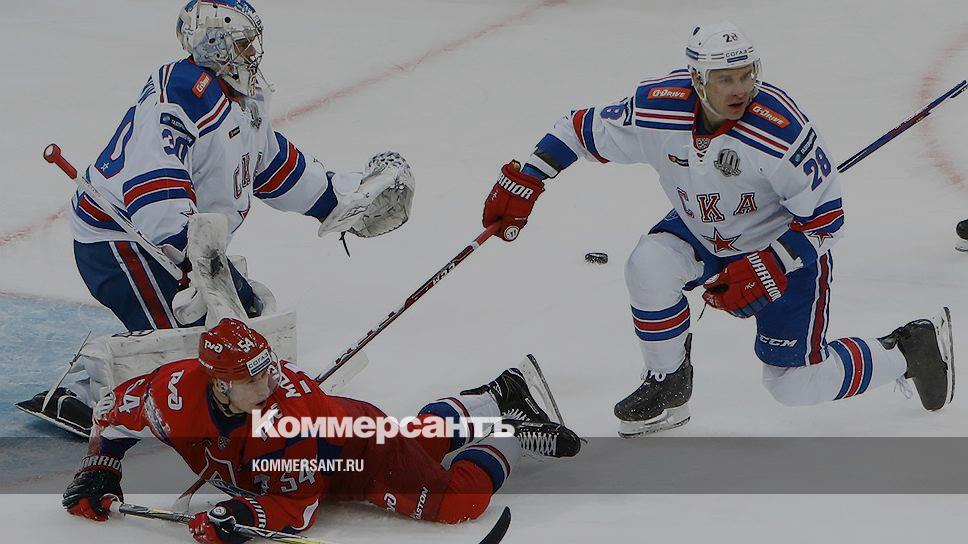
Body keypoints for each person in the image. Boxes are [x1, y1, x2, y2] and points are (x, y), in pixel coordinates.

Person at [480, 21, 954, 437]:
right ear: (697, 79)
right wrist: (529, 177)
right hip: (702, 229)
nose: (740, 88)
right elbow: (577, 130)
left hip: (784, 250)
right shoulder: (657, 109)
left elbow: (827, 220)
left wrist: (768, 266)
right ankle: (668, 382)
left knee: (793, 386)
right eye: (725, 79)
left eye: (747, 74)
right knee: (649, 265)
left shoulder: (780, 130)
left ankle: (908, 352)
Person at [19, 0, 415, 432]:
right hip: (123, 242)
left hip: (179, 242)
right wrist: (199, 267)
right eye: (243, 44)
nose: (252, 53)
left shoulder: (241, 100)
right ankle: (90, 395)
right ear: (214, 43)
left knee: (243, 320)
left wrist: (338, 200)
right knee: (197, 347)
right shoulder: (182, 96)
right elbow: (154, 193)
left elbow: (269, 164)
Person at [62, 318, 580, 542]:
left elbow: (299, 507)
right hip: (346, 426)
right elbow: (113, 413)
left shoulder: (287, 417)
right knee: (417, 441)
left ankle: (510, 434)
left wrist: (243, 514)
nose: (269, 383)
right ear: (218, 383)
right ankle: (498, 393)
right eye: (253, 379)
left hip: (354, 454)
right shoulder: (172, 393)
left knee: (454, 503)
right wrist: (102, 467)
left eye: (269, 370)